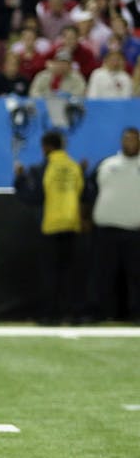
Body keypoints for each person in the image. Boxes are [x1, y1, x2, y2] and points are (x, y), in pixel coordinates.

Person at [13, 130, 86, 324]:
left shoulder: (42, 168)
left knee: (49, 273)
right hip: (72, 224)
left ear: (45, 147)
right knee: (70, 273)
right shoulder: (73, 166)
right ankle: (72, 313)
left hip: (51, 225)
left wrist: (19, 179)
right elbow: (83, 193)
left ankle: (49, 315)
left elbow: (34, 197)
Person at [88, 127, 140, 322]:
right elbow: (90, 191)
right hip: (106, 230)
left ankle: (135, 314)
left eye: (134, 139)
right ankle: (101, 313)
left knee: (136, 276)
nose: (130, 142)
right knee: (104, 274)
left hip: (135, 231)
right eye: (126, 139)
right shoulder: (107, 164)